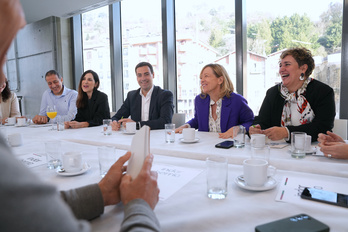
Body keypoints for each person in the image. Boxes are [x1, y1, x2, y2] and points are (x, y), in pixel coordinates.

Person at [0, 1, 161, 231]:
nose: (4, 81)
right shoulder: (85, 97)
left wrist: (102, 192)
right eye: (2, 55)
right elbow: (101, 115)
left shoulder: (100, 96)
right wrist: (139, 204)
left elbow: (100, 117)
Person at [249, 47, 335, 142]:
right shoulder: (273, 92)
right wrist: (255, 128)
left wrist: (287, 132)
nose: (281, 69)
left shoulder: (323, 92)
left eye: (287, 64)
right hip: (278, 150)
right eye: (280, 65)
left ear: (303, 68)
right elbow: (262, 121)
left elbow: (323, 127)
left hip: (314, 149)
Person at [175, 63, 254, 139]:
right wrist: (186, 126)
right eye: (201, 78)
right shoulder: (199, 100)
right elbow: (197, 120)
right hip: (204, 147)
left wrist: (238, 128)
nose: (202, 80)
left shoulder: (237, 100)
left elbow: (251, 122)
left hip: (229, 147)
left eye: (206, 76)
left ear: (220, 80)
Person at [111, 62, 174, 131]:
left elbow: (165, 121)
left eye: (146, 74)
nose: (143, 78)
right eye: (139, 75)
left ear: (152, 75)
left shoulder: (165, 95)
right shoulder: (132, 96)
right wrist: (115, 122)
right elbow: (117, 116)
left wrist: (137, 125)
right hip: (136, 137)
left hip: (158, 137)